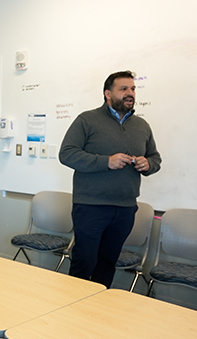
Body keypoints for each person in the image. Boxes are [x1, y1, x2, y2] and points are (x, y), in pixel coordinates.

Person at [59, 70, 161, 288]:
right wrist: (106, 161)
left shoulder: (142, 126)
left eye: (132, 89)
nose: (130, 93)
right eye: (123, 89)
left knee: (107, 263)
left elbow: (155, 158)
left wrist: (148, 164)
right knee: (84, 261)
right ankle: (71, 310)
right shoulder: (87, 120)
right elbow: (67, 154)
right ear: (108, 94)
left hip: (125, 209)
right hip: (91, 206)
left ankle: (98, 310)